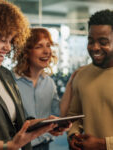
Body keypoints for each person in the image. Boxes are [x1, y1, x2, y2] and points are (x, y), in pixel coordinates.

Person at [0, 1, 67, 150]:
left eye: (11, 41)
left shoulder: (4, 74)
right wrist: (8, 146)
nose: (8, 47)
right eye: (2, 40)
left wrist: (44, 124)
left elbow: (16, 122)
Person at [67, 9, 113, 150]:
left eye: (103, 42)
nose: (95, 48)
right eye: (91, 41)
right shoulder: (81, 75)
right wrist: (73, 135)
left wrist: (103, 144)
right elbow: (75, 115)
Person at [13, 27, 62, 150]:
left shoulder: (49, 83)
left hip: (45, 145)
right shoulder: (10, 81)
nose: (47, 51)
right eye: (39, 46)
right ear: (26, 52)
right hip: (19, 146)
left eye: (48, 45)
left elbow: (58, 112)